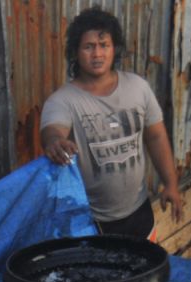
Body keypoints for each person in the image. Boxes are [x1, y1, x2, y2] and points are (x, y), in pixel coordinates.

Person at [40, 7, 183, 239]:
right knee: (102, 274)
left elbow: (156, 136)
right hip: (91, 220)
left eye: (104, 45)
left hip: (139, 212)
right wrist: (55, 141)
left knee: (146, 271)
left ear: (114, 49)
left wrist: (171, 184)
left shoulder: (138, 88)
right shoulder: (63, 100)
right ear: (75, 52)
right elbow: (53, 130)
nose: (97, 54)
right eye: (88, 47)